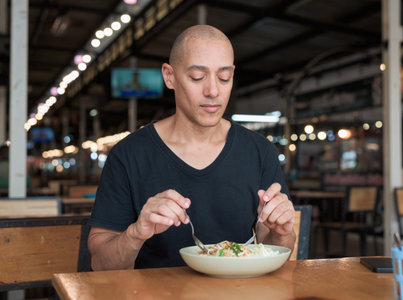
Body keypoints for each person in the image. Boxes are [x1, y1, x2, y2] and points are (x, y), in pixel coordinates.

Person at [88, 24, 296, 271]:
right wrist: (136, 233)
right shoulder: (128, 155)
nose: (213, 91)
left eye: (224, 77)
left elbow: (268, 244)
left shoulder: (260, 151)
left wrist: (282, 233)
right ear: (170, 76)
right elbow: (100, 264)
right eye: (197, 77)